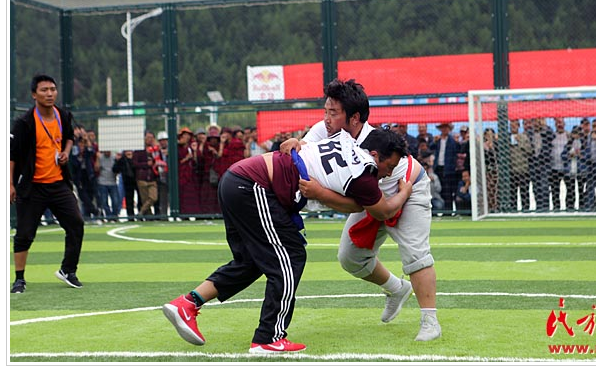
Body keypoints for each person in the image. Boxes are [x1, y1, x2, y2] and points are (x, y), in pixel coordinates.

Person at [162, 128, 413, 353]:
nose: (388, 174)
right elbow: (382, 211)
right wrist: (405, 192)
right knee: (291, 256)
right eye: (389, 166)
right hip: (254, 186)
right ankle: (268, 338)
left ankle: (188, 303)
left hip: (238, 180)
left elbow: (348, 199)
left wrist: (316, 182)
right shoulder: (365, 172)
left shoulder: (343, 141)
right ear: (374, 155)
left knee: (251, 262)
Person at [282, 78, 441, 341]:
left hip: (407, 190)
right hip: (371, 199)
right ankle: (396, 289)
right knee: (350, 257)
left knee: (415, 254)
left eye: (334, 113)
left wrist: (320, 193)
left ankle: (430, 321)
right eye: (326, 111)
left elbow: (365, 205)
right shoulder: (323, 129)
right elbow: (304, 152)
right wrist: (294, 142)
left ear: (354, 118)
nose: (327, 119)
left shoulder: (371, 144)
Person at [10, 74, 85, 292]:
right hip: (32, 186)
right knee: (24, 234)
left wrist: (66, 152)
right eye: (44, 90)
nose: (50, 93)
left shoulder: (63, 115)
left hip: (59, 184)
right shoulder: (24, 123)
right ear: (34, 95)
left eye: (53, 89)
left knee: (76, 224)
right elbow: (11, 155)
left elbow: (69, 137)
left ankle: (68, 270)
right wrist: (10, 184)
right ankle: (19, 279)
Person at [132, 131, 162, 220]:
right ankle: (149, 216)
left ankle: (141, 212)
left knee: (153, 197)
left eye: (151, 138)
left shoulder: (156, 150)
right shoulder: (139, 150)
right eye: (148, 137)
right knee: (145, 199)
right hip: (142, 177)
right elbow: (134, 163)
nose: (150, 139)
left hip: (152, 178)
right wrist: (146, 164)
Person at [430, 122, 458, 211]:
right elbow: (430, 147)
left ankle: (449, 211)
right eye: (443, 127)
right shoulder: (437, 139)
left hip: (448, 169)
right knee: (440, 190)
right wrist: (434, 141)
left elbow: (457, 150)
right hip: (438, 168)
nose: (444, 129)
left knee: (448, 191)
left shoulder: (452, 140)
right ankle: (442, 210)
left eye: (446, 127)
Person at [508, 120, 531, 210]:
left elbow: (529, 151)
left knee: (524, 194)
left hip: (523, 170)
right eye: (511, 126)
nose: (513, 127)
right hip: (512, 171)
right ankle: (513, 211)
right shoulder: (507, 137)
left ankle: (526, 211)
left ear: (518, 126)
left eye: (514, 125)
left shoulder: (524, 137)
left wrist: (520, 142)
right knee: (512, 195)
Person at [176, 127, 199, 218]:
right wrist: (187, 158)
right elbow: (177, 163)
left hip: (190, 176)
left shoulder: (191, 147)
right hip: (181, 175)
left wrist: (194, 151)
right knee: (182, 196)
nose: (187, 137)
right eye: (185, 135)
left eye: (188, 135)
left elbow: (195, 162)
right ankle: (183, 214)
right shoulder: (177, 148)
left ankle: (192, 214)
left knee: (191, 196)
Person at [97, 150, 121, 222]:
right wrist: (97, 158)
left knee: (116, 201)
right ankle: (109, 216)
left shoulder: (114, 157)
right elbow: (96, 168)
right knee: (104, 202)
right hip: (102, 182)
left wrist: (118, 161)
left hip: (113, 182)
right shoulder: (100, 157)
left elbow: (117, 170)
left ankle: (114, 216)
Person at [113, 150, 137, 221]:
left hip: (137, 179)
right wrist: (118, 160)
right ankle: (130, 216)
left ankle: (141, 214)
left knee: (139, 198)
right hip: (127, 181)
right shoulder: (122, 160)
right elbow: (115, 169)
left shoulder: (135, 157)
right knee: (128, 198)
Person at [154, 131, 170, 218]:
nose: (163, 142)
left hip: (171, 177)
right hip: (161, 177)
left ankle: (175, 213)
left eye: (164, 140)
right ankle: (163, 215)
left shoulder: (172, 150)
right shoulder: (156, 151)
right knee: (163, 198)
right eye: (161, 141)